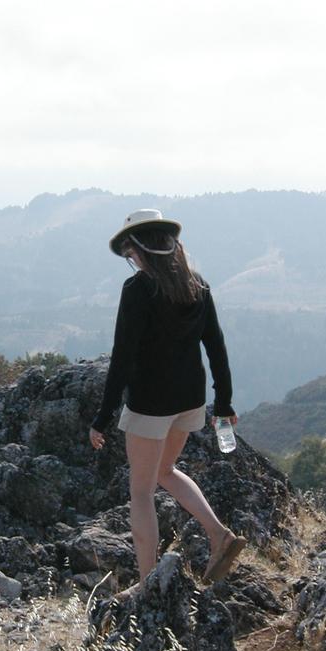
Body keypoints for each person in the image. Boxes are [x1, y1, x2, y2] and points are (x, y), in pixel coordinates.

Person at [89, 208, 246, 591]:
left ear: (142, 248)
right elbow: (217, 348)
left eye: (130, 251)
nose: (131, 258)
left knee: (141, 491)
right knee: (166, 471)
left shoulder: (139, 290)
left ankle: (148, 584)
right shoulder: (197, 285)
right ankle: (219, 534)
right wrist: (223, 404)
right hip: (190, 400)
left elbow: (122, 358)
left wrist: (102, 417)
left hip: (150, 403)